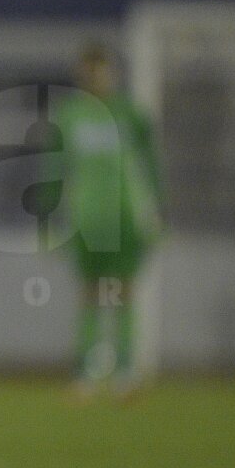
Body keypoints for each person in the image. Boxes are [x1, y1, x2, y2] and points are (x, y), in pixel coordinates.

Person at [51, 42, 161, 400]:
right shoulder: (69, 116)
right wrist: (47, 218)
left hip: (126, 215)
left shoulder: (130, 113)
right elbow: (54, 168)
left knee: (125, 291)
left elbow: (152, 166)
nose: (95, 77)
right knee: (90, 294)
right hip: (85, 216)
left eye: (100, 69)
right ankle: (85, 373)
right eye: (89, 70)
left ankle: (125, 372)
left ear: (112, 72)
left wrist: (159, 211)